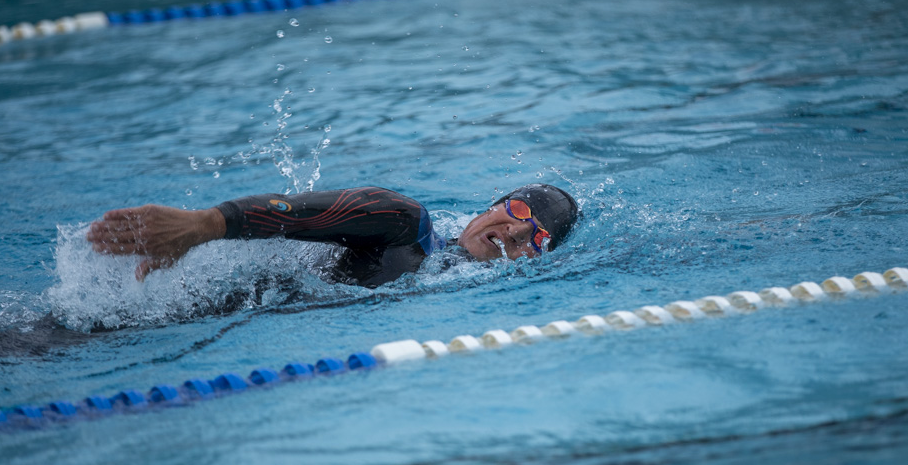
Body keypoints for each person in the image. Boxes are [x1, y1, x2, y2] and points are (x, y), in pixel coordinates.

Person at [87, 184, 580, 288]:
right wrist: (204, 226)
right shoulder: (409, 228)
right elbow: (306, 214)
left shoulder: (442, 275)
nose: (516, 229)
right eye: (519, 211)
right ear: (492, 205)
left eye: (536, 238)